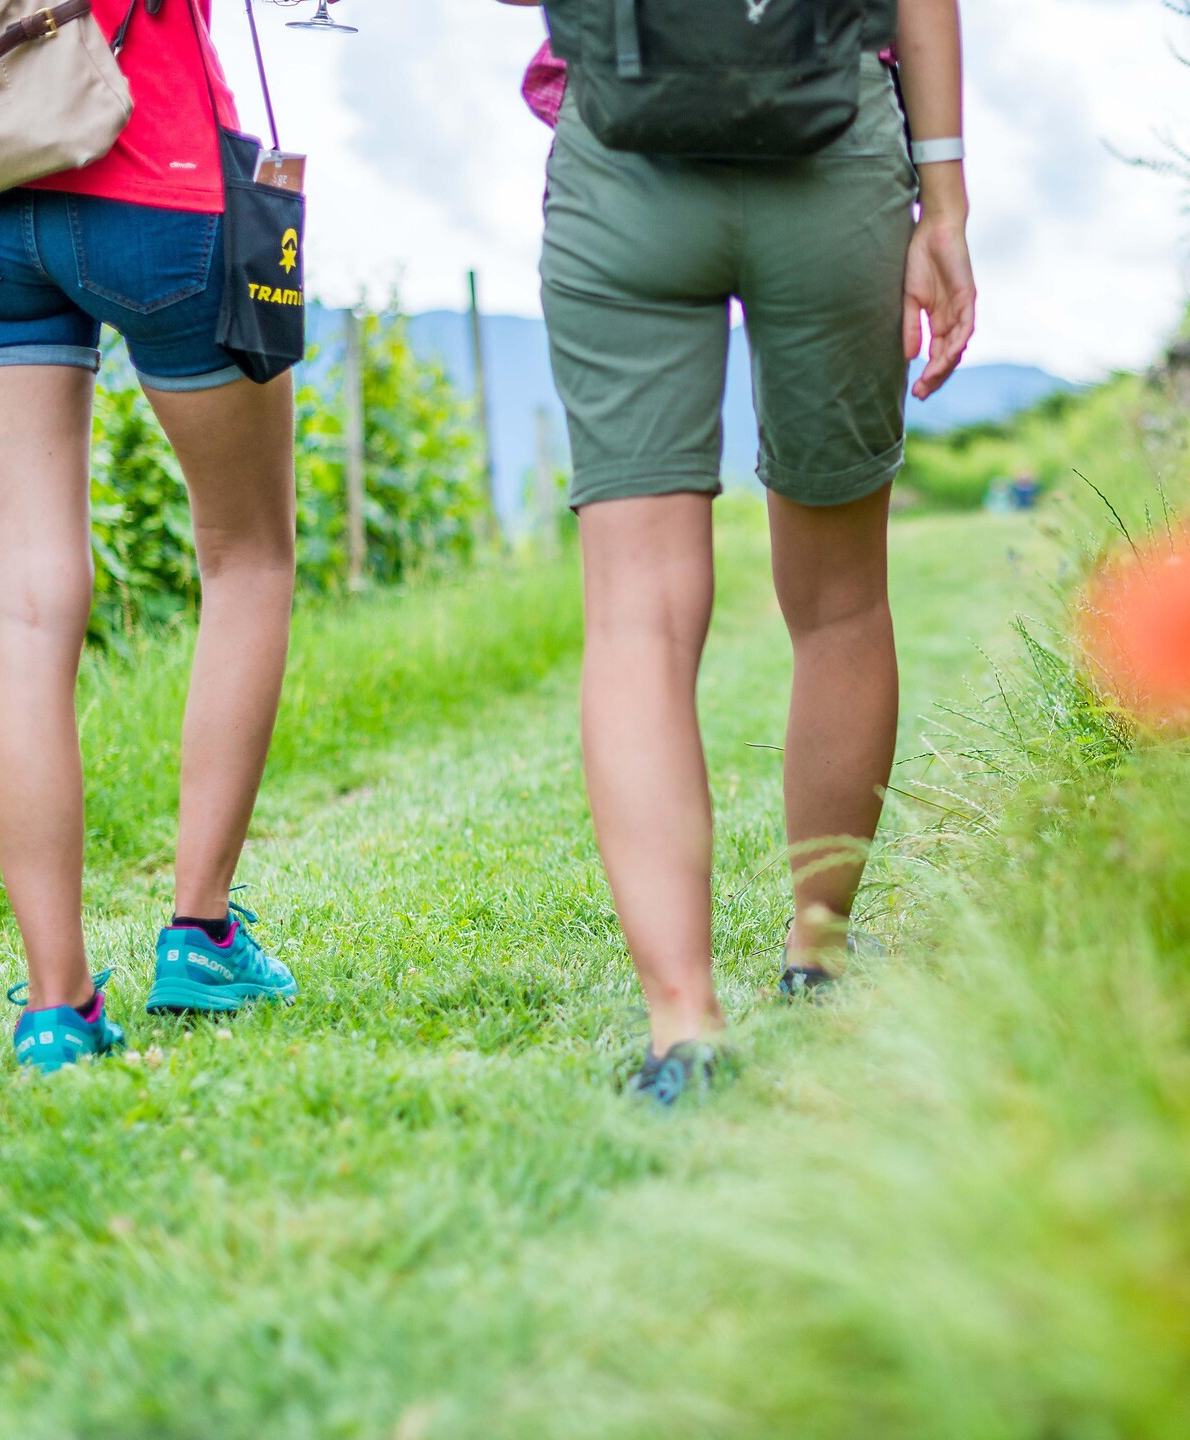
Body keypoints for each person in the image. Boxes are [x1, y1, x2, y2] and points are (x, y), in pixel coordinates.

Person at [505, 0, 977, 1100]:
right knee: (842, 602)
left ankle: (684, 1026)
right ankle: (817, 951)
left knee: (637, 615)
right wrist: (944, 201)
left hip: (623, 161)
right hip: (834, 162)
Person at [0, 0, 300, 1071]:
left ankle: (57, 1007)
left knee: (28, 602)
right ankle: (200, 935)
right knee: (249, 557)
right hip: (160, 177)